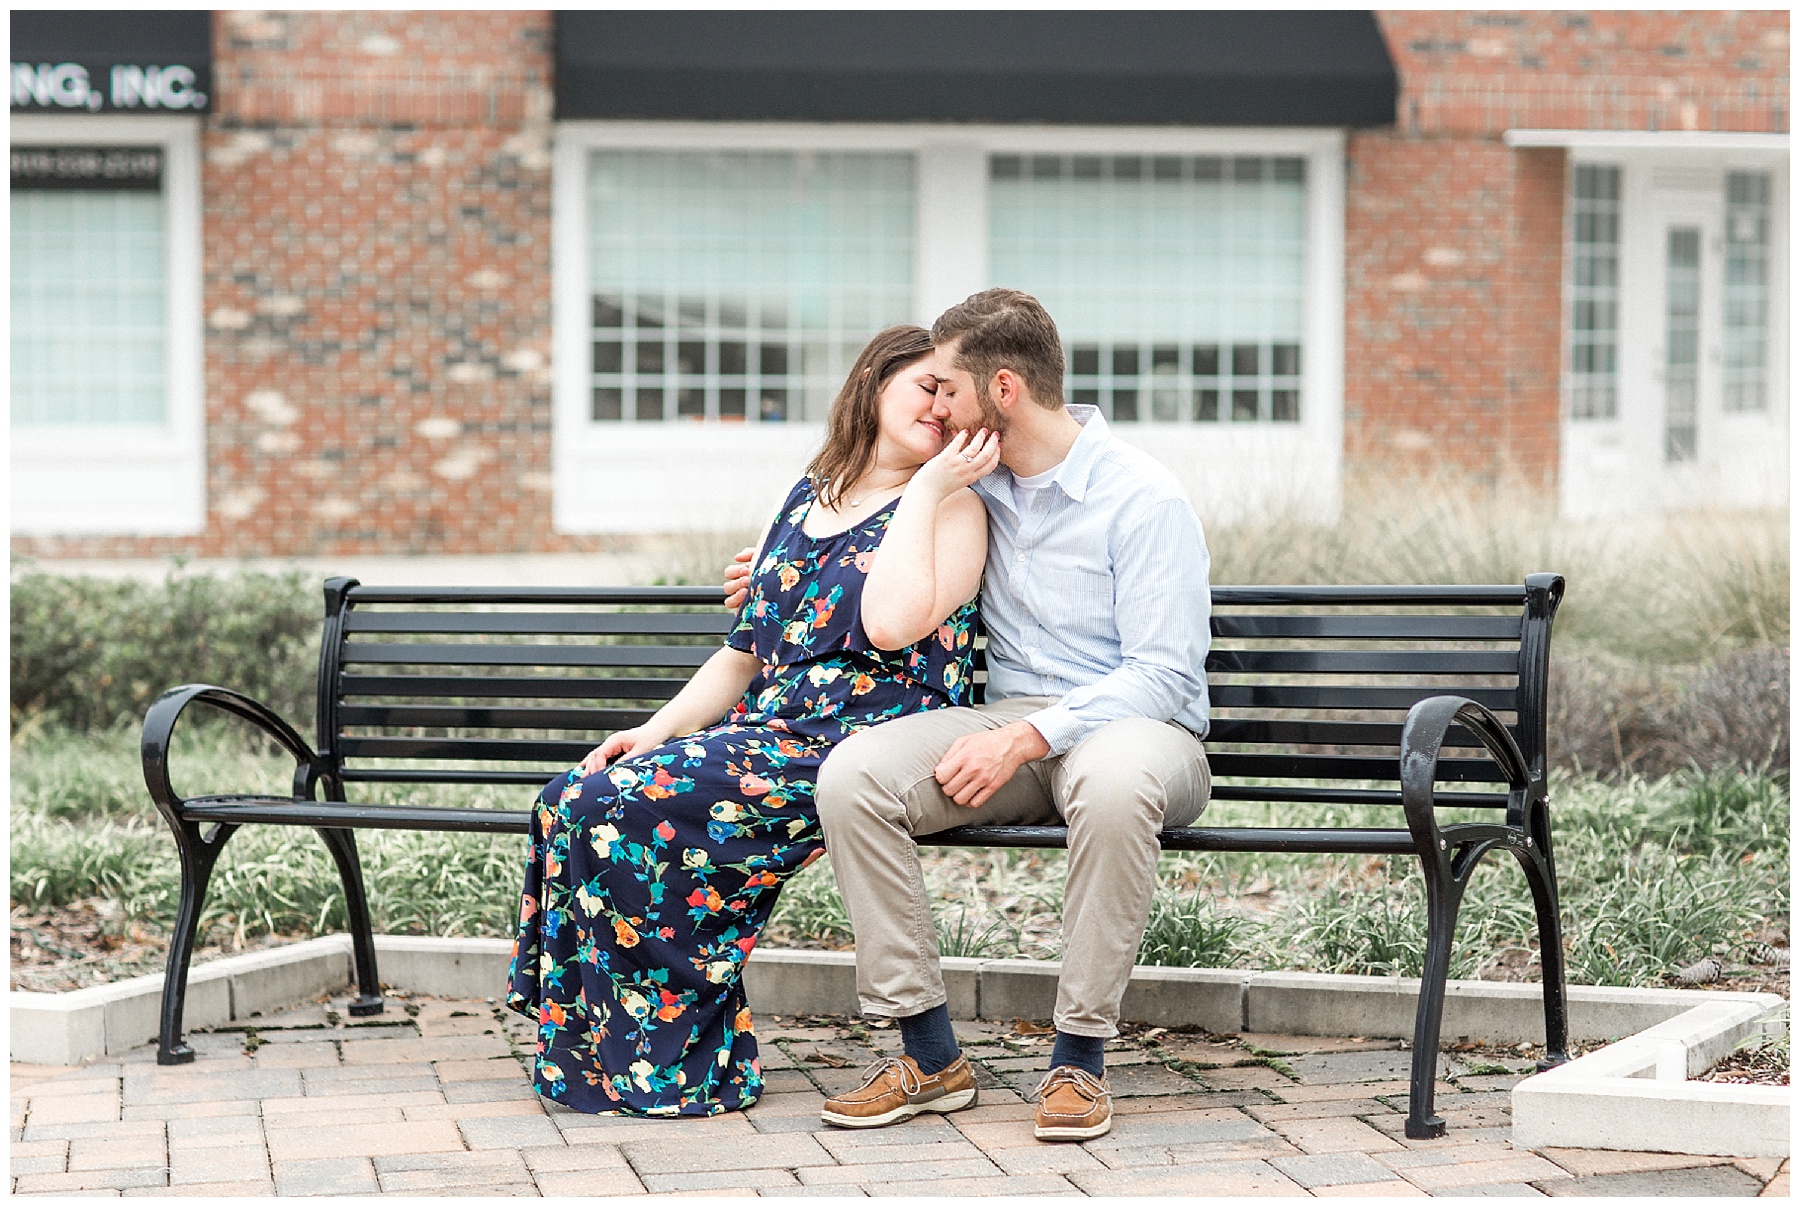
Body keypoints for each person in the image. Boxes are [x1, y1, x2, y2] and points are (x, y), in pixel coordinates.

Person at [724, 289, 1213, 1142]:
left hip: (1143, 730)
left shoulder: (1144, 497)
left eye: (945, 386)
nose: (933, 404)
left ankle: (1078, 1058)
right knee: (855, 777)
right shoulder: (973, 485)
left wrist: (1025, 736)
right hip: (1016, 722)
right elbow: (876, 564)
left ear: (1003, 389)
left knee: (1113, 781)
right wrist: (769, 578)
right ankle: (929, 1050)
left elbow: (1164, 675)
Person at [508, 325, 999, 1116]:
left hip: (857, 745)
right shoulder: (808, 494)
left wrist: (932, 487)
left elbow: (893, 628)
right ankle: (597, 1056)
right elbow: (743, 652)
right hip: (766, 731)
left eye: (955, 397)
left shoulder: (956, 508)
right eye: (926, 388)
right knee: (571, 795)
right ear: (873, 382)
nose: (941, 409)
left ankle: (682, 1062)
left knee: (617, 809)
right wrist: (656, 729)